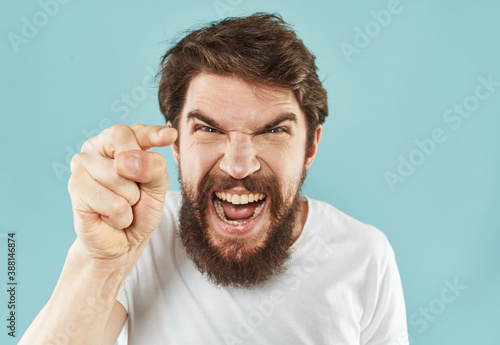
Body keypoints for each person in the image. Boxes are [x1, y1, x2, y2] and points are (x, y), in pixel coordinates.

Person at [20, 13, 408, 345]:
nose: (239, 166)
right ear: (177, 144)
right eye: (208, 129)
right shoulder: (143, 234)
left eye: (273, 132)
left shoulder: (365, 256)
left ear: (310, 147)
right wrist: (99, 262)